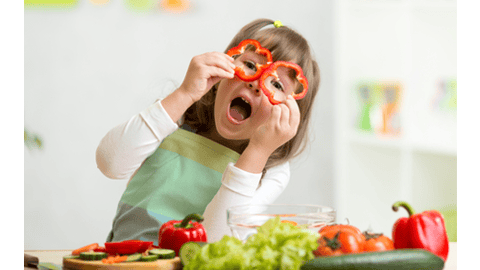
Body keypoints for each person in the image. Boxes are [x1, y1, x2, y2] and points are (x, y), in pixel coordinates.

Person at [96, 18, 321, 244]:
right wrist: (184, 93)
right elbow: (110, 164)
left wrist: (258, 152)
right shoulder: (178, 115)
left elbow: (217, 240)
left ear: (290, 114)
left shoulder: (272, 169)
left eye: (277, 85)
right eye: (250, 65)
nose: (256, 82)